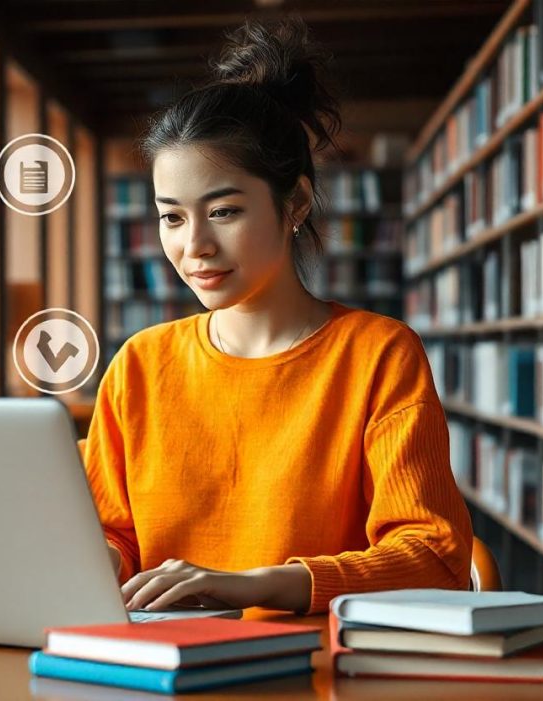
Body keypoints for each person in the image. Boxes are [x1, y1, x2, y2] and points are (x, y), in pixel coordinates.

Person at [81, 16, 473, 615]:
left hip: (313, 666)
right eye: (172, 218)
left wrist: (259, 584)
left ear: (295, 201)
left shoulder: (377, 354)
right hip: (157, 660)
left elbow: (435, 558)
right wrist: (98, 559)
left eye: (225, 211)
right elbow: (113, 533)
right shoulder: (139, 364)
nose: (195, 247)